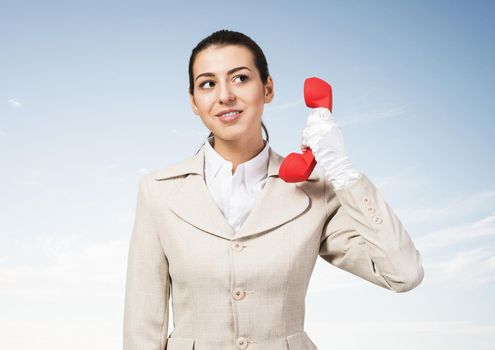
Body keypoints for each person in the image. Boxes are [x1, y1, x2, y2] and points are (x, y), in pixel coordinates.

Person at [123, 29, 424, 350]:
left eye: (240, 78)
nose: (224, 95)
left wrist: (343, 172)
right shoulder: (158, 192)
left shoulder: (314, 192)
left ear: (267, 88)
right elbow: (143, 324)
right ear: (194, 102)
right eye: (208, 84)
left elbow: (402, 274)